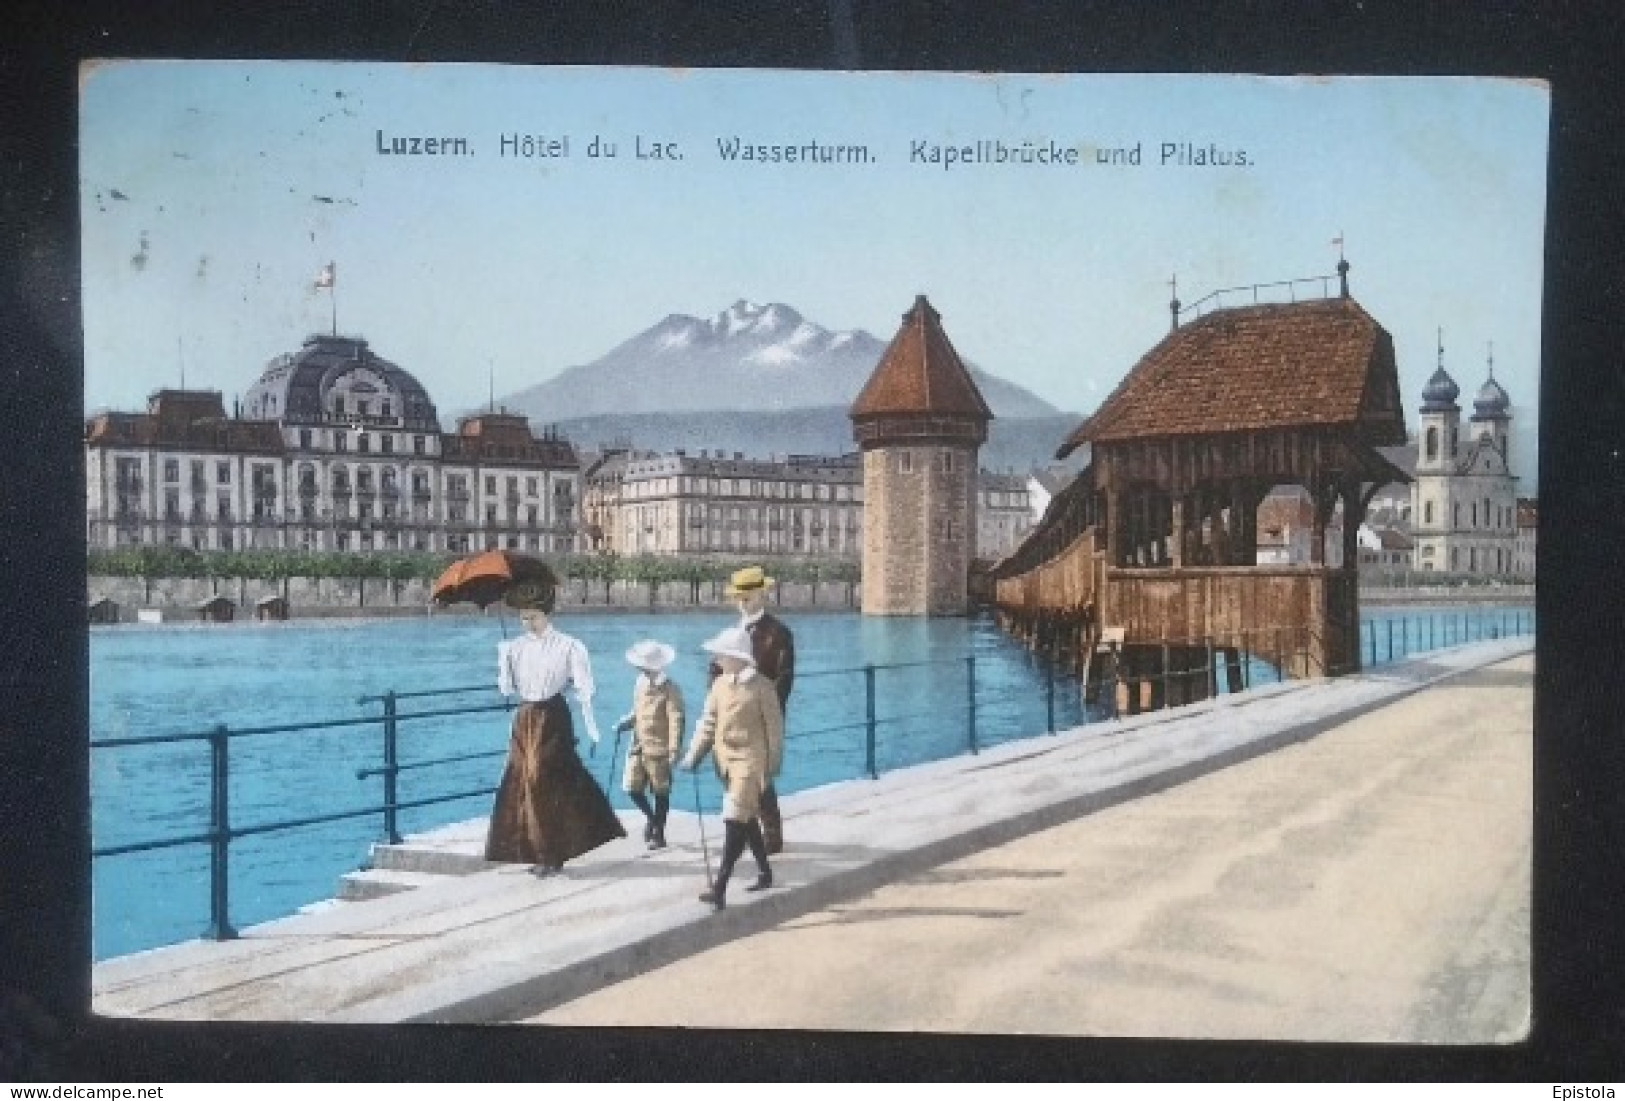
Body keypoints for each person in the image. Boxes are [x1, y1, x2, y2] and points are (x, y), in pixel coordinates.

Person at [484, 572, 626, 877]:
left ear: (546, 614)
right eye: (523, 618)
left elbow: (585, 690)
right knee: (519, 781)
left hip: (553, 716)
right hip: (525, 717)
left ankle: (552, 853)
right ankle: (535, 852)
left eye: (533, 617)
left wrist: (592, 729)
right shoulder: (514, 648)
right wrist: (503, 662)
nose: (528, 624)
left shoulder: (570, 646)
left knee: (541, 779)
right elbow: (507, 691)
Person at [681, 625, 783, 910]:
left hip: (751, 762)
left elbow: (774, 732)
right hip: (724, 761)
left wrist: (770, 768)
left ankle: (720, 886)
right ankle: (764, 871)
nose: (716, 660)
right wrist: (693, 756)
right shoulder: (719, 685)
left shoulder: (763, 688)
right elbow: (708, 723)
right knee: (746, 818)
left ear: (737, 657)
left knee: (733, 820)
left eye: (721, 655)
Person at [716, 564, 795, 853]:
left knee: (758, 777)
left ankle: (770, 836)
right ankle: (752, 832)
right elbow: (715, 672)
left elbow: (783, 680)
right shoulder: (730, 634)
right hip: (731, 718)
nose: (741, 603)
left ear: (762, 595)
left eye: (747, 597)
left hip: (762, 719)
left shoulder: (779, 634)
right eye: (738, 597)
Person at [614, 639, 685, 850]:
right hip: (638, 744)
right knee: (631, 788)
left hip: (660, 748)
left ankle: (659, 833)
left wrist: (674, 748)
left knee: (660, 791)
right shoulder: (640, 683)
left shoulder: (671, 689)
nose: (638, 668)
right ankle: (653, 819)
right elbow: (637, 712)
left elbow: (676, 720)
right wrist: (624, 723)